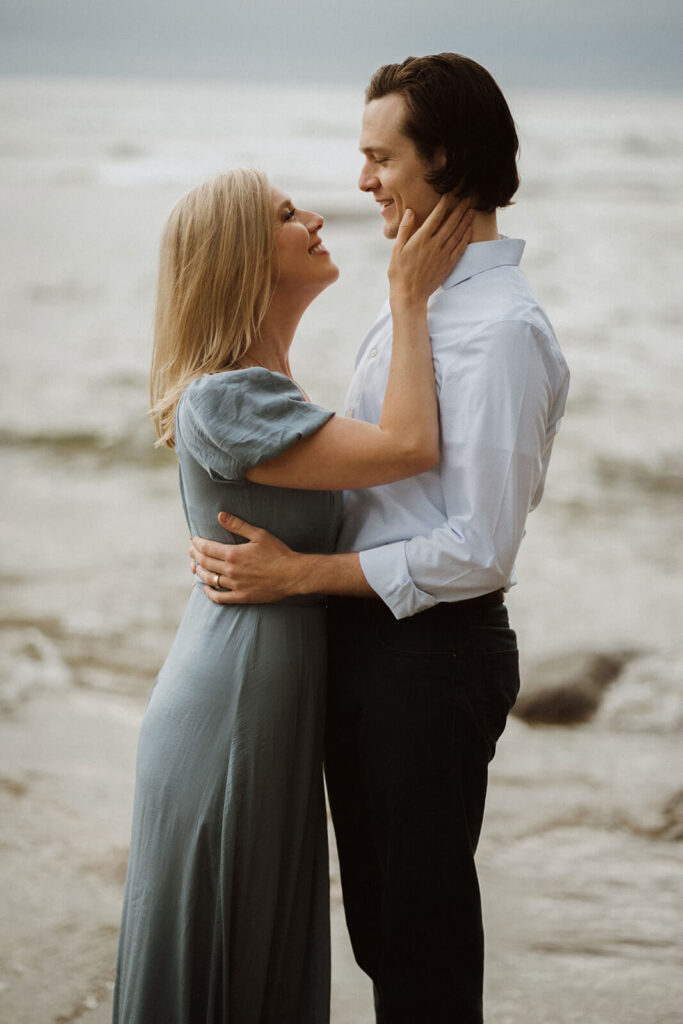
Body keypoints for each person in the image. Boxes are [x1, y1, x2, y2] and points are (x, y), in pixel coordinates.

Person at [189, 54, 570, 1023]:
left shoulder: (499, 331)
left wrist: (297, 572)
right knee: (381, 934)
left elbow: (479, 546)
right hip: (375, 648)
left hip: (430, 658)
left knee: (419, 945)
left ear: (444, 158)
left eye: (380, 157)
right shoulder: (420, 299)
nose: (360, 183)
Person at [112, 166, 473, 1024]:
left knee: (254, 944)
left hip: (265, 689)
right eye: (285, 214)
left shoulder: (264, 391)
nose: (315, 216)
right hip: (234, 702)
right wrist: (409, 296)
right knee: (230, 945)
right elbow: (411, 446)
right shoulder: (227, 397)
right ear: (243, 257)